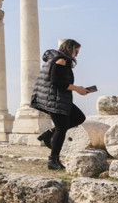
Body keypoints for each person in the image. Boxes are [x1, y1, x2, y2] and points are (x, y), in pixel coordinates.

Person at [31, 39, 91, 170]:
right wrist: (77, 89)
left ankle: (48, 135)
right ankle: (53, 161)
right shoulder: (61, 60)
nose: (77, 54)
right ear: (70, 48)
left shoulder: (60, 60)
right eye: (76, 50)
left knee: (79, 117)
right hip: (54, 99)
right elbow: (56, 82)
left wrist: (79, 89)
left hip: (59, 98)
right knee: (61, 128)